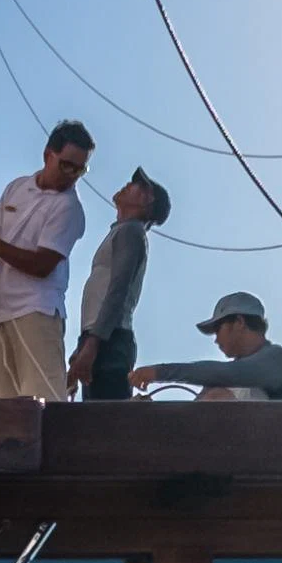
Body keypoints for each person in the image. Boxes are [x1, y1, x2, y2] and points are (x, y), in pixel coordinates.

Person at [0, 119, 93, 402]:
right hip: (2, 312)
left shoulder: (68, 208)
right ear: (48, 156)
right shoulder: (18, 187)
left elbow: (42, 265)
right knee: (0, 403)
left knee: (45, 401)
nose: (72, 175)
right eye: (67, 165)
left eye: (80, 170)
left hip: (37, 311)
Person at [68, 167, 166, 398]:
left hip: (108, 341)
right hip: (101, 338)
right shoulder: (123, 232)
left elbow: (117, 291)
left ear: (147, 199)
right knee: (96, 423)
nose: (127, 186)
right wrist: (82, 348)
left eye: (137, 186)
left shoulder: (131, 231)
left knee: (104, 425)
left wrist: (91, 346)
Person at [136, 289, 282, 402]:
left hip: (267, 449)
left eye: (217, 330)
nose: (216, 340)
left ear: (238, 322)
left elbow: (230, 374)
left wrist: (160, 372)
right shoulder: (219, 382)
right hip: (220, 449)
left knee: (217, 397)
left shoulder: (280, 359)